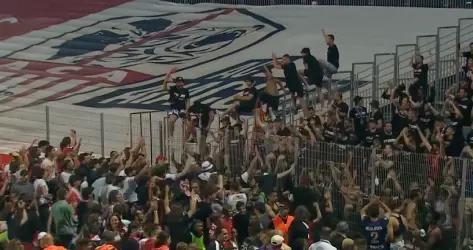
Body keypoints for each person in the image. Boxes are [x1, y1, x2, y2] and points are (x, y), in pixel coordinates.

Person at [163, 68, 190, 137]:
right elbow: (164, 87)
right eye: (178, 82)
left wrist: (187, 110)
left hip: (182, 109)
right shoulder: (172, 89)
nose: (180, 83)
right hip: (174, 109)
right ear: (176, 82)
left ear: (183, 83)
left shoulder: (185, 90)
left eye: (181, 82)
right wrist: (169, 74)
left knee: (189, 124)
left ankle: (186, 139)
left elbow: (187, 101)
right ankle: (171, 137)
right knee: (171, 121)